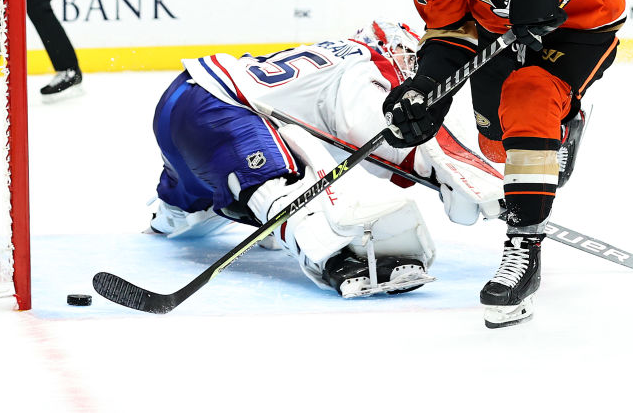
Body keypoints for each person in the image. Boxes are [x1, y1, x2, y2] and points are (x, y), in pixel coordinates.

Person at [387, 0, 633, 328]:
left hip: (580, 27)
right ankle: (560, 132)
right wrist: (424, 91)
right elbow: (449, 32)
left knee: (530, 97)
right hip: (498, 36)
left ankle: (523, 249)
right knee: (499, 150)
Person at [148, 21, 505, 297]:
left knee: (200, 193)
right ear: (388, 45)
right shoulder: (366, 63)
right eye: (409, 54)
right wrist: (453, 176)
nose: (410, 66)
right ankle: (337, 260)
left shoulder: (335, 55)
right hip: (218, 108)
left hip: (186, 102)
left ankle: (169, 216)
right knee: (281, 190)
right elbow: (367, 124)